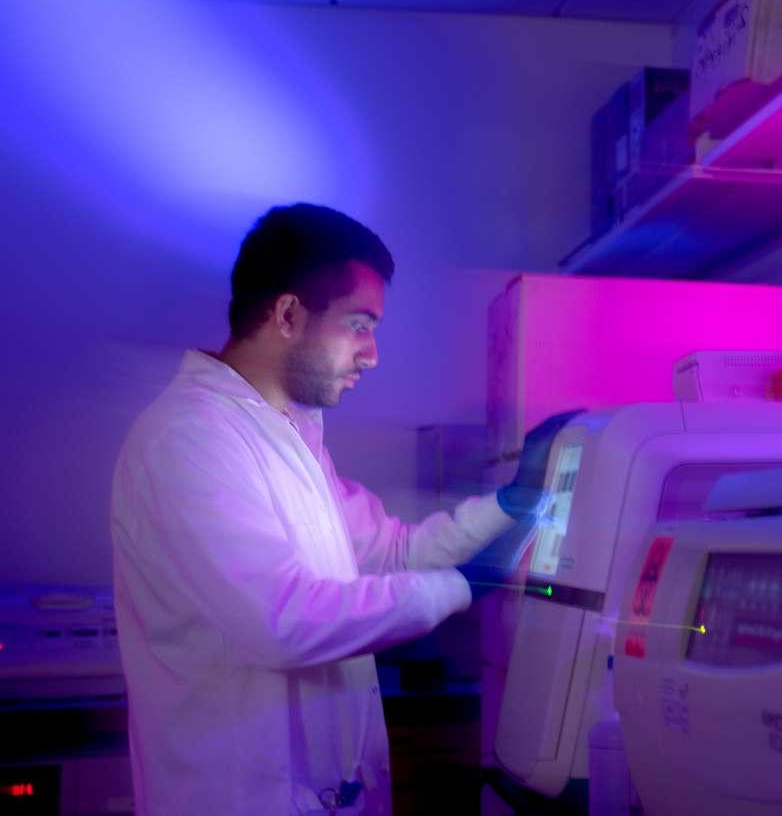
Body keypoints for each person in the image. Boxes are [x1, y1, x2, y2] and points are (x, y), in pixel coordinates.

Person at [110, 203, 576, 814]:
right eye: (359, 324)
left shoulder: (287, 436)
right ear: (287, 315)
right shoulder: (192, 439)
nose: (372, 354)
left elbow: (393, 552)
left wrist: (513, 501)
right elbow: (283, 619)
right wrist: (464, 585)